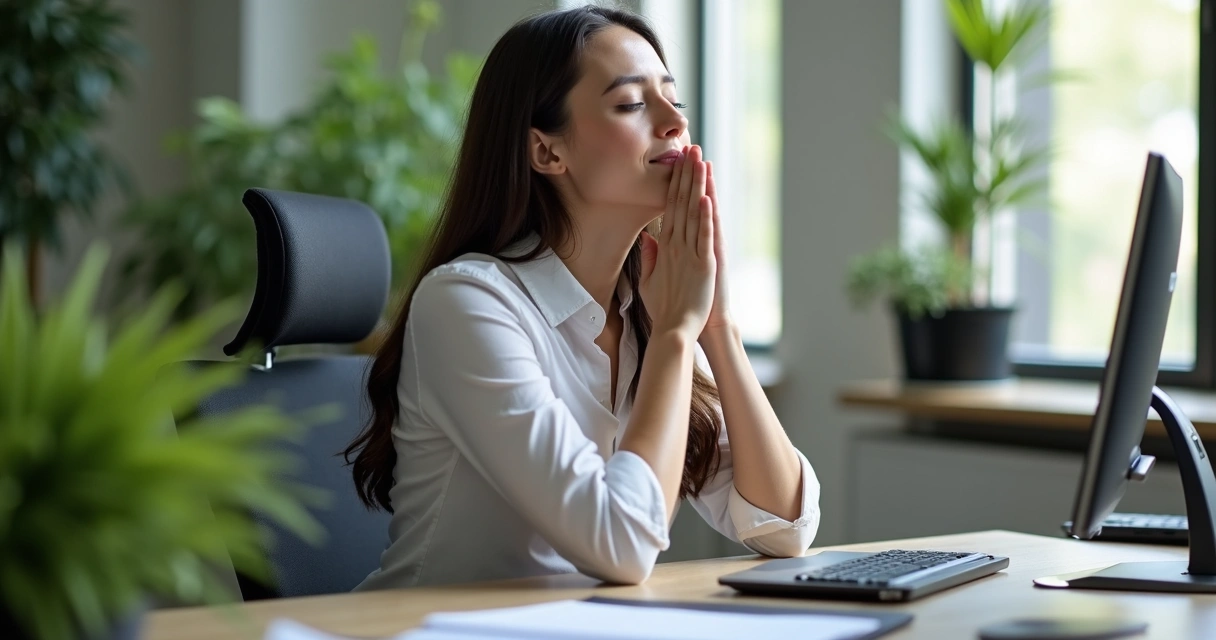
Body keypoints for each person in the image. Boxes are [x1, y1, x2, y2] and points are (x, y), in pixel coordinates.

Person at [344, 5, 820, 590]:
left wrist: (716, 326)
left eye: (675, 100)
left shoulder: (649, 304)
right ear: (547, 152)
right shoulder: (466, 303)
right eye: (631, 104)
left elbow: (784, 528)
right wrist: (677, 333)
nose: (673, 121)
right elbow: (619, 546)